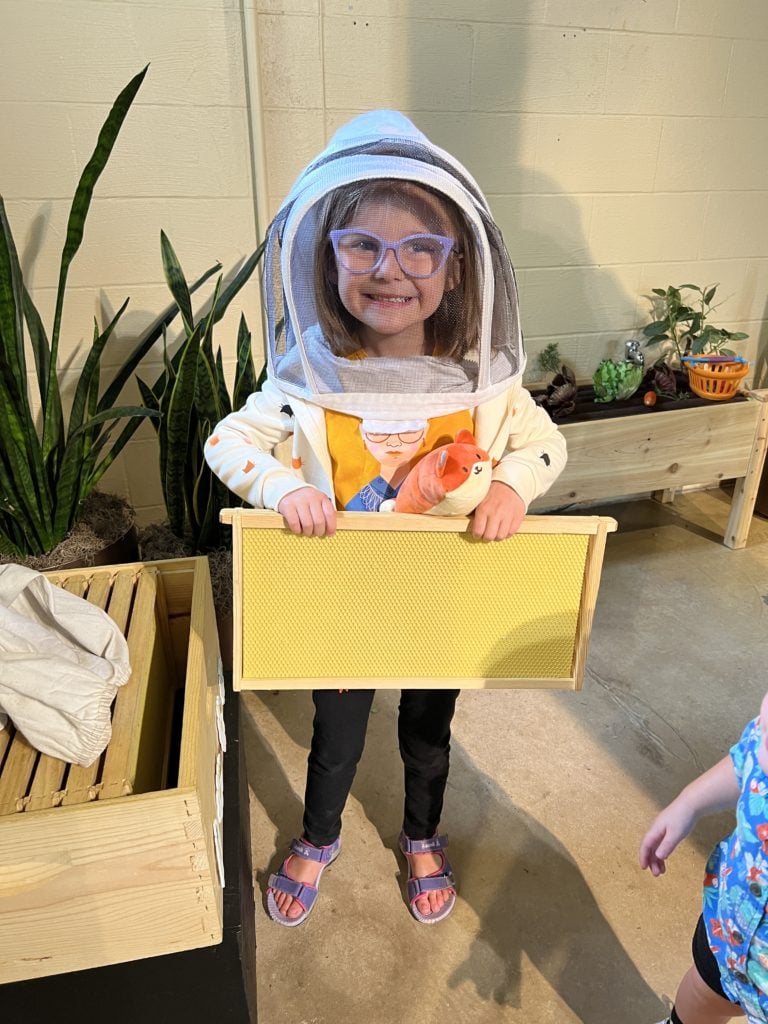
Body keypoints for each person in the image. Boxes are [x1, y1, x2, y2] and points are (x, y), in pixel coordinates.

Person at [205, 110, 567, 927]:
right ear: (324, 257)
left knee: (428, 730)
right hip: (344, 601)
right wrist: (278, 487)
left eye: (419, 249)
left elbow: (544, 444)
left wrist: (511, 483)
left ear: (455, 267)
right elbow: (228, 439)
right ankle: (319, 833)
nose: (389, 269)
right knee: (336, 736)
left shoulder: (484, 381)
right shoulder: (310, 377)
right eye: (361, 245)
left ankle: (421, 834)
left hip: (441, 600)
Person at [640, 690, 768, 1023]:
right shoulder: (765, 740)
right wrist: (690, 803)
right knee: (702, 994)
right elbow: (746, 760)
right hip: (728, 929)